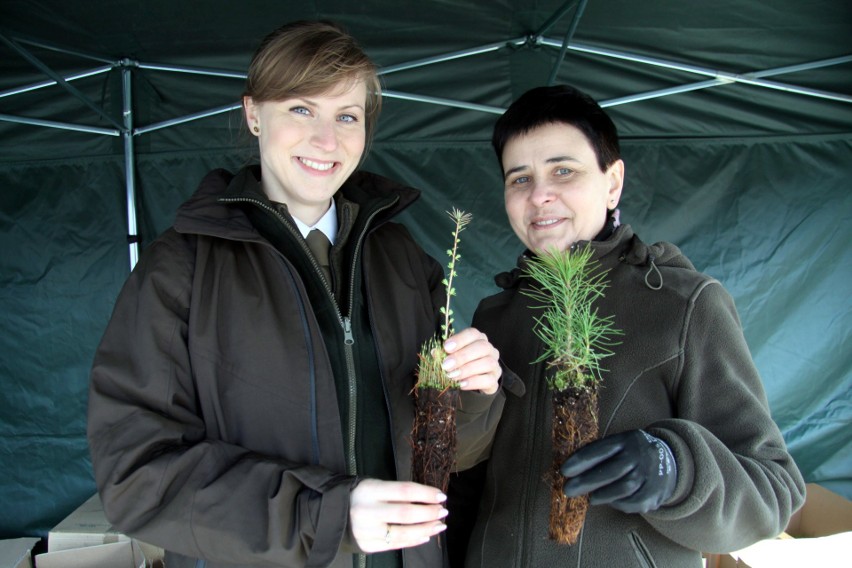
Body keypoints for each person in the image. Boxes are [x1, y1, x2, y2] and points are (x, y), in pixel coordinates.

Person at [87, 20, 504, 568]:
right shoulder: (181, 269)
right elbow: (136, 475)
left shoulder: (403, 259)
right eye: (301, 109)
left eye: (347, 117)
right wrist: (323, 516)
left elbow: (452, 454)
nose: (326, 140)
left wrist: (473, 394)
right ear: (253, 114)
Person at [453, 85, 805, 567]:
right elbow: (471, 483)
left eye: (563, 170)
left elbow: (774, 490)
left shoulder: (685, 304)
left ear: (612, 181)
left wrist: (673, 469)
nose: (539, 196)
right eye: (519, 179)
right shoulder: (495, 316)